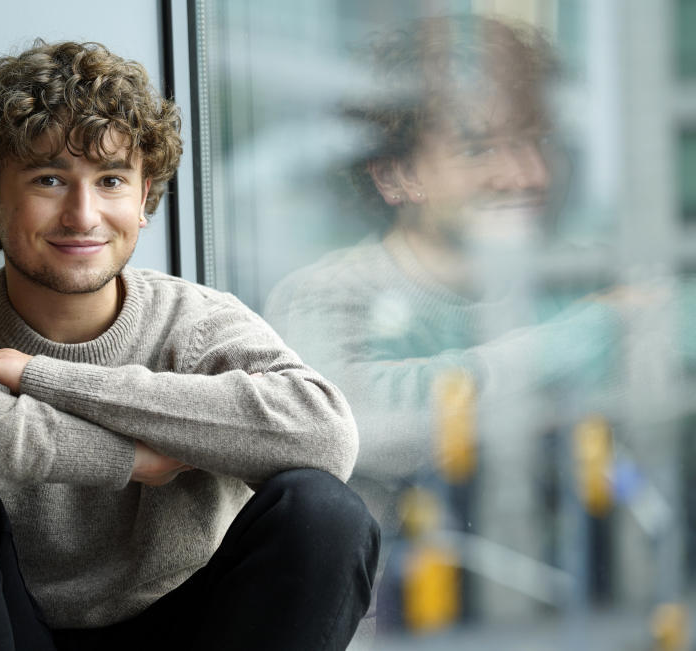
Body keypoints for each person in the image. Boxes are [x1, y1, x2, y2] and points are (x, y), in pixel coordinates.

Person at [0, 40, 379, 650]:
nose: (83, 215)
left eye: (112, 180)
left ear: (144, 200)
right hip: (1, 627)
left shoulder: (195, 323)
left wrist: (41, 375)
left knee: (325, 514)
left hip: (187, 626)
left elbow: (324, 433)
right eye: (48, 180)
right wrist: (126, 458)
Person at [265, 14, 694, 624]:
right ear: (397, 173)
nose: (527, 175)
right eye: (480, 147)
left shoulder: (579, 275)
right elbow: (357, 422)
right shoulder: (329, 296)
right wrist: (585, 337)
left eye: (535, 141)